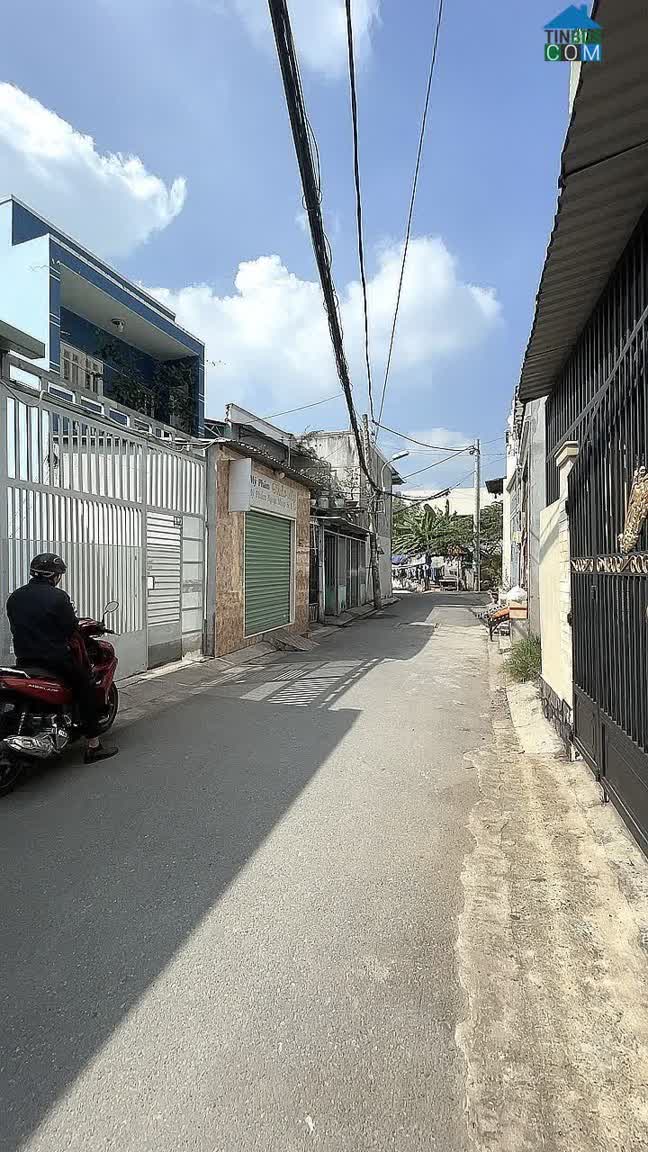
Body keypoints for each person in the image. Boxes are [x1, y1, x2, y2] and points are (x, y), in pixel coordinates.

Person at [5, 554, 118, 763]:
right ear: (55, 576)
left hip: (25, 660)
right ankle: (94, 746)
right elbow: (70, 628)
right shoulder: (58, 597)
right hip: (55, 660)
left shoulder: (15, 597)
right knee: (86, 685)